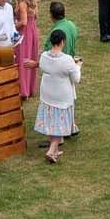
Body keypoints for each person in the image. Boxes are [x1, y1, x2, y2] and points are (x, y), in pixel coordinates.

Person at [34, 29, 81, 163]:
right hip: (61, 95)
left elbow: (43, 67)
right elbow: (76, 79)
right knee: (59, 122)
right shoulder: (67, 60)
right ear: (62, 42)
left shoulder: (43, 56)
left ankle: (54, 150)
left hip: (47, 93)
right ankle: (51, 150)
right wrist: (77, 66)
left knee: (52, 120)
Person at [15, 0, 42, 97]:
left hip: (24, 33)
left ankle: (23, 90)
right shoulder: (34, 2)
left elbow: (24, 22)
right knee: (31, 57)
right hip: (33, 31)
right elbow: (36, 16)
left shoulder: (22, 4)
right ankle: (31, 88)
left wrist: (12, 26)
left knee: (22, 60)